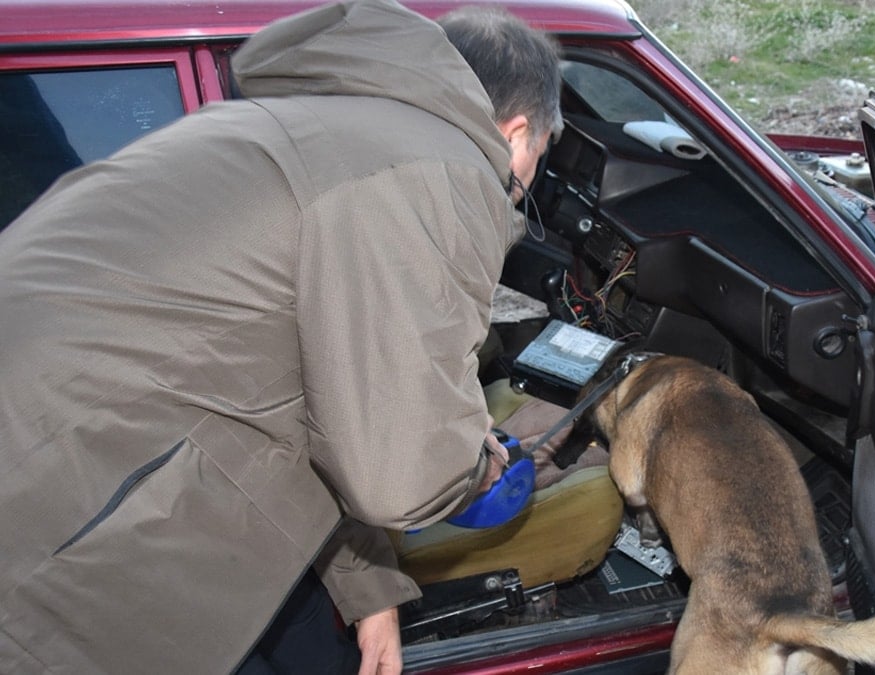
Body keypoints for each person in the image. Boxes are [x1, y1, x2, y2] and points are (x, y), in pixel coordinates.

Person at [0, 0, 561, 672]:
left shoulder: (320, 126)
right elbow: (397, 473)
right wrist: (481, 465)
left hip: (100, 441)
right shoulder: (440, 170)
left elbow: (321, 391)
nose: (522, 185)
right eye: (537, 160)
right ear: (517, 129)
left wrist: (370, 589)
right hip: (71, 511)